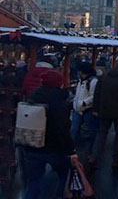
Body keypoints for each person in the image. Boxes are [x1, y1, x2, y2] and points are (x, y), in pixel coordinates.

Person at [23, 69, 77, 199]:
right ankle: (59, 195)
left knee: (33, 181)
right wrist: (71, 150)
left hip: (32, 144)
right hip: (54, 147)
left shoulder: (33, 97)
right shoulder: (60, 102)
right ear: (59, 84)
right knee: (64, 173)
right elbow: (62, 129)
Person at [91, 57, 118, 168]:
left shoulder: (104, 77)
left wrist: (96, 109)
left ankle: (94, 157)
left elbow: (97, 94)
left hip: (104, 110)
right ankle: (117, 159)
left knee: (101, 134)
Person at [70, 62, 99, 152]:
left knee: (91, 131)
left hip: (87, 109)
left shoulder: (93, 81)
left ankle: (91, 151)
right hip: (77, 109)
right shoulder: (81, 80)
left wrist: (83, 103)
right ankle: (71, 149)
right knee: (73, 130)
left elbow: (94, 96)